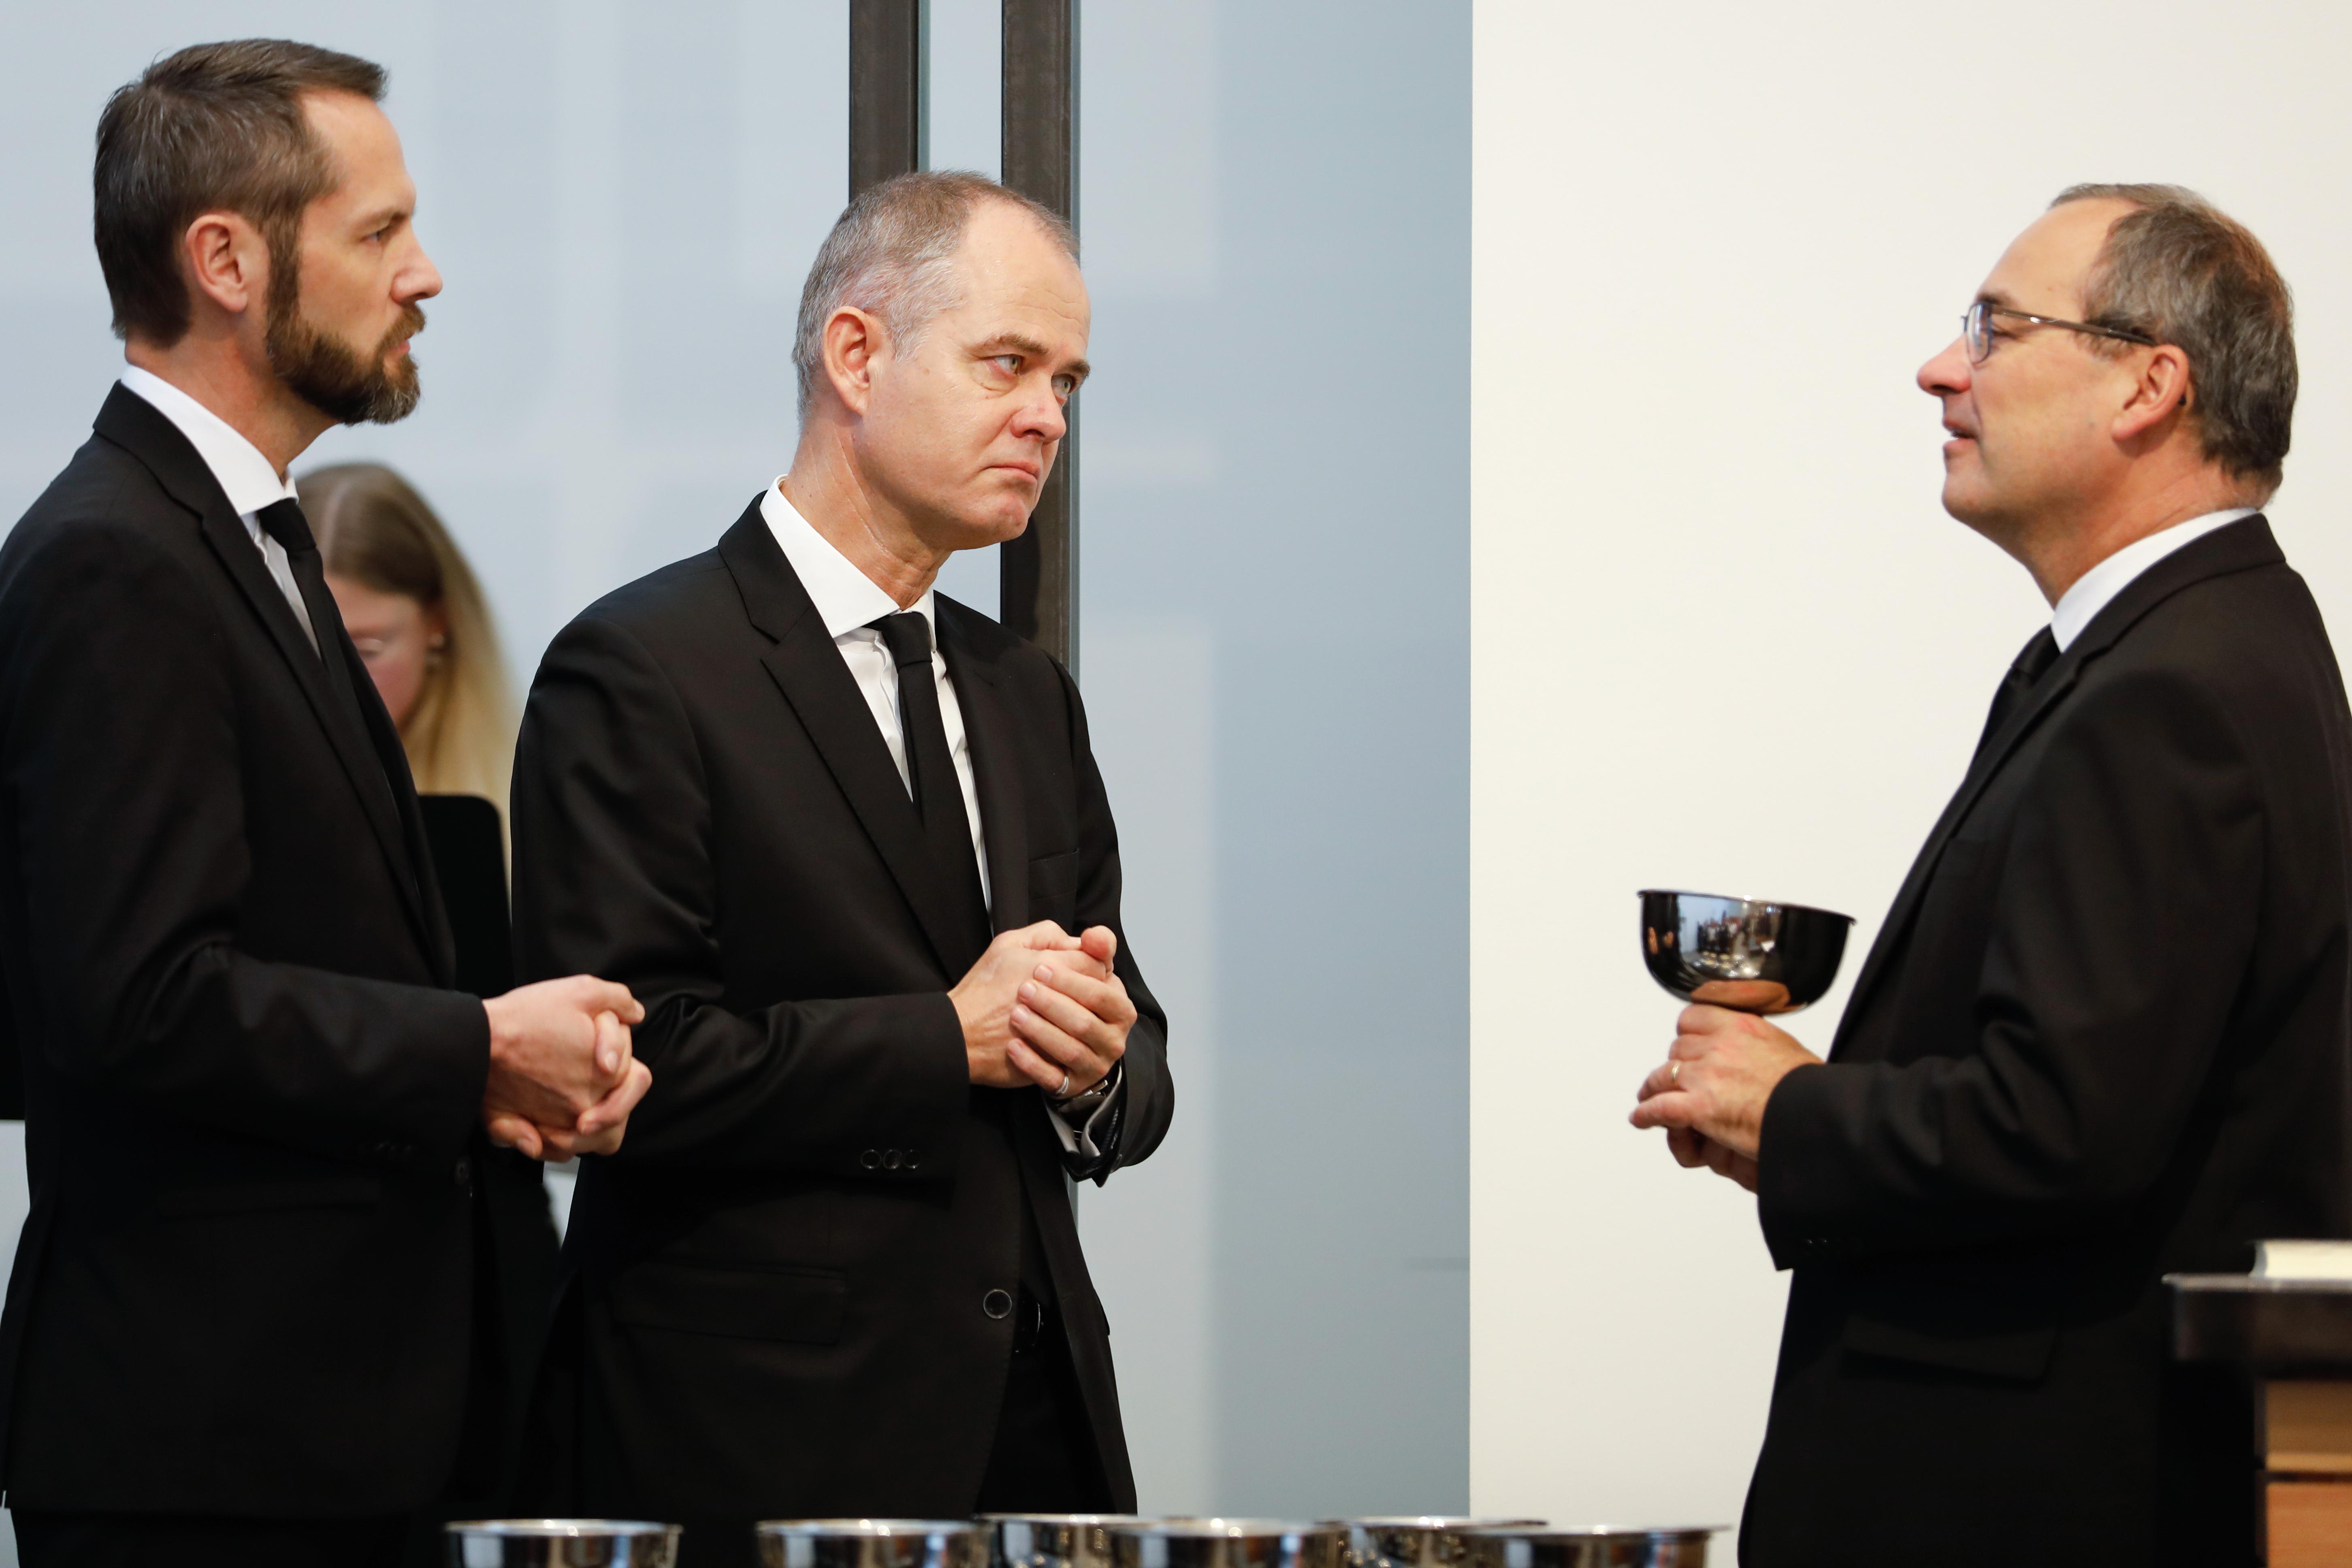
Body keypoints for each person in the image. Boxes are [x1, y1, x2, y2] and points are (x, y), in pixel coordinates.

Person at [1630, 185, 2352, 1566]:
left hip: (2037, 1499)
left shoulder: (2171, 688)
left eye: (1993, 329)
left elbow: (2058, 1125)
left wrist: (1793, 1113)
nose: (1938, 369)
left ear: (2147, 385)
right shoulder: (2188, 646)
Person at [0, 41, 653, 1567]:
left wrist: (485, 1080)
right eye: (379, 231)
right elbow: (140, 998)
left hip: (321, 1432)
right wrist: (477, 1045)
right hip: (215, 1450)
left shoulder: (235, 540)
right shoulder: (116, 560)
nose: (424, 274)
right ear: (226, 261)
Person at [510, 171, 1172, 1563]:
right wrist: (945, 1039)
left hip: (1037, 1433)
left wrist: (1095, 1063)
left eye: (1067, 381)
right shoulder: (640, 669)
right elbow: (626, 1061)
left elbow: (1131, 1048)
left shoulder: (1025, 693)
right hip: (757, 1431)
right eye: (1007, 363)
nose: (1048, 417)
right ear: (857, 356)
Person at [305, 460, 562, 1505]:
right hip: (309, 1296)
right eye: (314, 648)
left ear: (439, 626)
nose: (340, 685)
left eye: (369, 649)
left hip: (485, 1286)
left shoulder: (519, 805)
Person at [305, 462, 517, 807]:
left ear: (438, 623)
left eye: (367, 650)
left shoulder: (523, 795)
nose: (332, 683)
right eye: (302, 648)